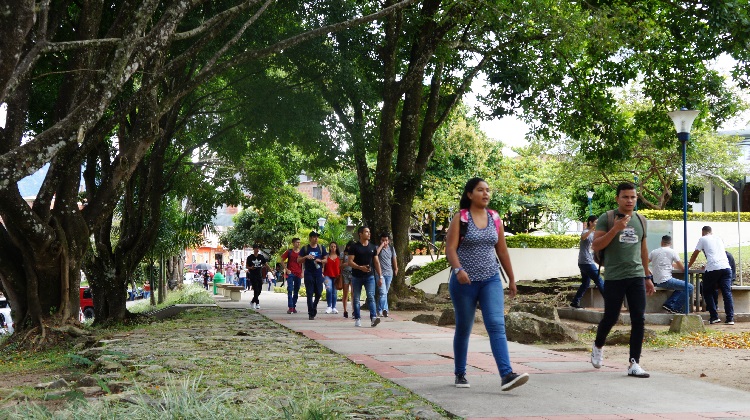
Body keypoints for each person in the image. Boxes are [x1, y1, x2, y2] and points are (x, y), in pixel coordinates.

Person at [445, 177, 529, 391]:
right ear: (469, 194)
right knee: (464, 327)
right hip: (464, 282)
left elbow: (502, 250)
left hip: (490, 279)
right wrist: (458, 270)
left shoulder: (495, 218)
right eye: (480, 190)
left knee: (496, 325)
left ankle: (506, 374)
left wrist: (511, 278)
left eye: (488, 190)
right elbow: (450, 249)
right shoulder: (460, 218)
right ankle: (460, 373)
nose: (485, 194)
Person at [590, 182, 654, 378]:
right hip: (614, 276)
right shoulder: (607, 218)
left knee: (639, 318)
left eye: (633, 197)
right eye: (625, 197)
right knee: (611, 317)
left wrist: (647, 275)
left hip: (635, 275)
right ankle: (598, 345)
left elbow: (643, 250)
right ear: (617, 198)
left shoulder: (641, 220)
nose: (629, 200)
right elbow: (596, 245)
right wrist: (616, 229)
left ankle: (634, 363)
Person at [687, 226, 734, 325]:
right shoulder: (718, 238)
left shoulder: (703, 239)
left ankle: (714, 316)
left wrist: (688, 266)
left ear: (703, 232)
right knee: (727, 293)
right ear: (711, 232)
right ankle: (730, 318)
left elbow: (695, 254)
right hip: (726, 267)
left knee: (707, 291)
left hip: (713, 268)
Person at [648, 235, 694, 313]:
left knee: (681, 287)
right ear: (670, 243)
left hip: (656, 280)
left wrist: (650, 272)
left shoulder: (654, 252)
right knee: (689, 287)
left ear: (661, 242)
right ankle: (676, 308)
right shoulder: (672, 252)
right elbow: (682, 268)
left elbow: (644, 264)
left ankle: (669, 304)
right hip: (666, 280)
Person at [348, 227, 383, 328]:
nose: (369, 234)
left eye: (369, 232)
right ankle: (358, 318)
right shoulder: (354, 247)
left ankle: (373, 318)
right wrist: (360, 267)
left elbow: (376, 262)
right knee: (356, 298)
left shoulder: (372, 247)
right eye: (366, 232)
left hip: (369, 276)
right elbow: (350, 262)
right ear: (360, 234)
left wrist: (380, 276)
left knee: (371, 296)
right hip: (356, 276)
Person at [570, 215, 604, 309]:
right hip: (586, 262)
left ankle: (575, 302)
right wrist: (591, 230)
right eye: (595, 222)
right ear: (590, 222)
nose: (597, 224)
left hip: (585, 261)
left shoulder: (594, 233)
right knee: (599, 280)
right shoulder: (585, 232)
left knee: (585, 283)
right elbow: (583, 237)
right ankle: (610, 302)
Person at [298, 231, 328, 320]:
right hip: (309, 274)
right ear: (310, 238)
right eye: (314, 237)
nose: (316, 239)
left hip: (318, 274)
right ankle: (311, 313)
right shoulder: (305, 248)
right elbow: (298, 260)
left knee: (319, 292)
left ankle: (314, 306)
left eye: (317, 237)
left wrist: (320, 261)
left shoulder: (321, 248)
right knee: (309, 293)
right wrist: (305, 257)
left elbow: (326, 260)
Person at [376, 233, 398, 318]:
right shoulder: (377, 248)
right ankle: (384, 309)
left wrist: (396, 268)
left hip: (389, 273)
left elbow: (394, 259)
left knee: (385, 293)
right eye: (383, 240)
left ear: (388, 241)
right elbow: (376, 254)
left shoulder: (392, 249)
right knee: (383, 292)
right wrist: (381, 246)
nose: (385, 242)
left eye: (386, 240)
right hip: (380, 274)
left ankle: (379, 310)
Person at [282, 238, 304, 314]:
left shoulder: (301, 252)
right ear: (293, 243)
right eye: (297, 242)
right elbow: (281, 260)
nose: (298, 244)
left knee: (296, 290)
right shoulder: (289, 252)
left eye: (299, 242)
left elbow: (303, 263)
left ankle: (294, 306)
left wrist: (302, 272)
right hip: (290, 273)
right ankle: (290, 307)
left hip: (298, 273)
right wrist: (286, 269)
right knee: (290, 289)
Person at [246, 244, 271, 310]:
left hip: (259, 275)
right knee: (256, 289)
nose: (257, 250)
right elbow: (247, 266)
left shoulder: (261, 257)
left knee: (259, 290)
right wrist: (251, 267)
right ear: (253, 249)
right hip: (253, 275)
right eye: (256, 248)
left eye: (258, 248)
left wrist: (271, 271)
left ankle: (252, 301)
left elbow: (266, 264)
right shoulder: (250, 257)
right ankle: (257, 303)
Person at [323, 241, 341, 314]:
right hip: (327, 275)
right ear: (329, 248)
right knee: (329, 289)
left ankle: (334, 307)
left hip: (336, 276)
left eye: (334, 246)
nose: (333, 248)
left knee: (334, 292)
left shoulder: (339, 257)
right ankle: (329, 306)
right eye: (332, 246)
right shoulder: (327, 256)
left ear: (336, 248)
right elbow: (323, 265)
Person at [341, 240, 355, 318]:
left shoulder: (356, 254)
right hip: (345, 274)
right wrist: (346, 263)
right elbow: (340, 266)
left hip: (353, 274)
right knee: (345, 293)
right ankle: (345, 310)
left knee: (353, 293)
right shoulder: (343, 254)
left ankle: (353, 310)